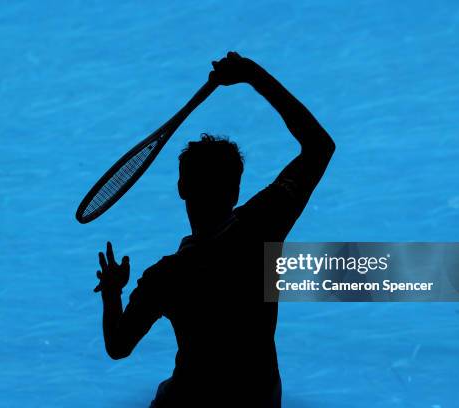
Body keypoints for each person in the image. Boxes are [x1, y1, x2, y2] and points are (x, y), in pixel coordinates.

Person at [94, 52, 335, 407]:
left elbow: (118, 346)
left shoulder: (165, 276)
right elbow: (319, 146)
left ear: (181, 188)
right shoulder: (263, 224)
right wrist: (253, 74)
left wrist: (113, 291)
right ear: (236, 189)